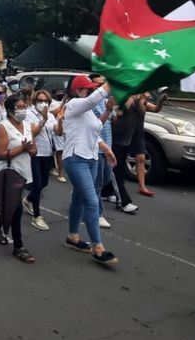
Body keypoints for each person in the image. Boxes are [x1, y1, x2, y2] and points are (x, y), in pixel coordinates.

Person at [57, 75, 118, 266]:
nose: (91, 91)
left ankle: (73, 236)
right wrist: (113, 79)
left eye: (93, 89)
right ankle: (98, 247)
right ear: (78, 91)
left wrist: (107, 148)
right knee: (92, 201)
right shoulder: (75, 104)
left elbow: (95, 129)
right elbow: (94, 99)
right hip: (76, 159)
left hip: (90, 158)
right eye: (88, 89)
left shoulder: (89, 112)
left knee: (79, 198)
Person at [0, 94, 38, 263]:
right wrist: (22, 148)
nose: (23, 109)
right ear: (10, 111)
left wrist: (31, 150)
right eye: (20, 107)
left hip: (24, 171)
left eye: (24, 106)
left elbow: (33, 149)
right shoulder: (3, 127)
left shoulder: (27, 125)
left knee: (10, 204)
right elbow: (0, 154)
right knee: (16, 209)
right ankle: (19, 246)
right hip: (10, 172)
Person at [23, 89, 56, 230]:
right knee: (37, 184)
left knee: (44, 182)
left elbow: (57, 131)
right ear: (35, 101)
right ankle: (37, 216)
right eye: (40, 100)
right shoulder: (29, 114)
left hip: (47, 153)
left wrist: (60, 122)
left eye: (45, 101)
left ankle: (28, 199)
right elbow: (31, 133)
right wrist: (43, 120)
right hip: (34, 153)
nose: (43, 103)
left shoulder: (50, 115)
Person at [89, 74, 115, 229]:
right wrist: (108, 111)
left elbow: (112, 120)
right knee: (98, 184)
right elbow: (96, 125)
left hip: (108, 147)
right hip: (96, 149)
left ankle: (82, 193)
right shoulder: (88, 104)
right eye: (97, 84)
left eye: (102, 84)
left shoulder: (105, 101)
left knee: (105, 180)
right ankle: (97, 214)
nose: (101, 87)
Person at [133, 91, 167, 197]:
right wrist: (141, 100)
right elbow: (139, 109)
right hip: (126, 132)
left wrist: (160, 101)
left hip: (138, 133)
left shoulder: (143, 102)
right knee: (119, 159)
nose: (148, 95)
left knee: (141, 158)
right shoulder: (132, 100)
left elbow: (156, 109)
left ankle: (142, 186)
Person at [110, 95, 141, 213]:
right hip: (114, 141)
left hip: (125, 141)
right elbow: (117, 114)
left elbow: (144, 110)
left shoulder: (136, 103)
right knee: (117, 172)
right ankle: (124, 201)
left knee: (115, 170)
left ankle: (106, 192)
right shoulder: (120, 98)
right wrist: (131, 99)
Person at [50, 89, 68, 183]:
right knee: (59, 152)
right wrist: (63, 103)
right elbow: (54, 113)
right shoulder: (52, 103)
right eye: (58, 92)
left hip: (67, 131)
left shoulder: (69, 102)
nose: (60, 94)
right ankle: (60, 174)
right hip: (57, 130)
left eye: (62, 92)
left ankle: (52, 168)